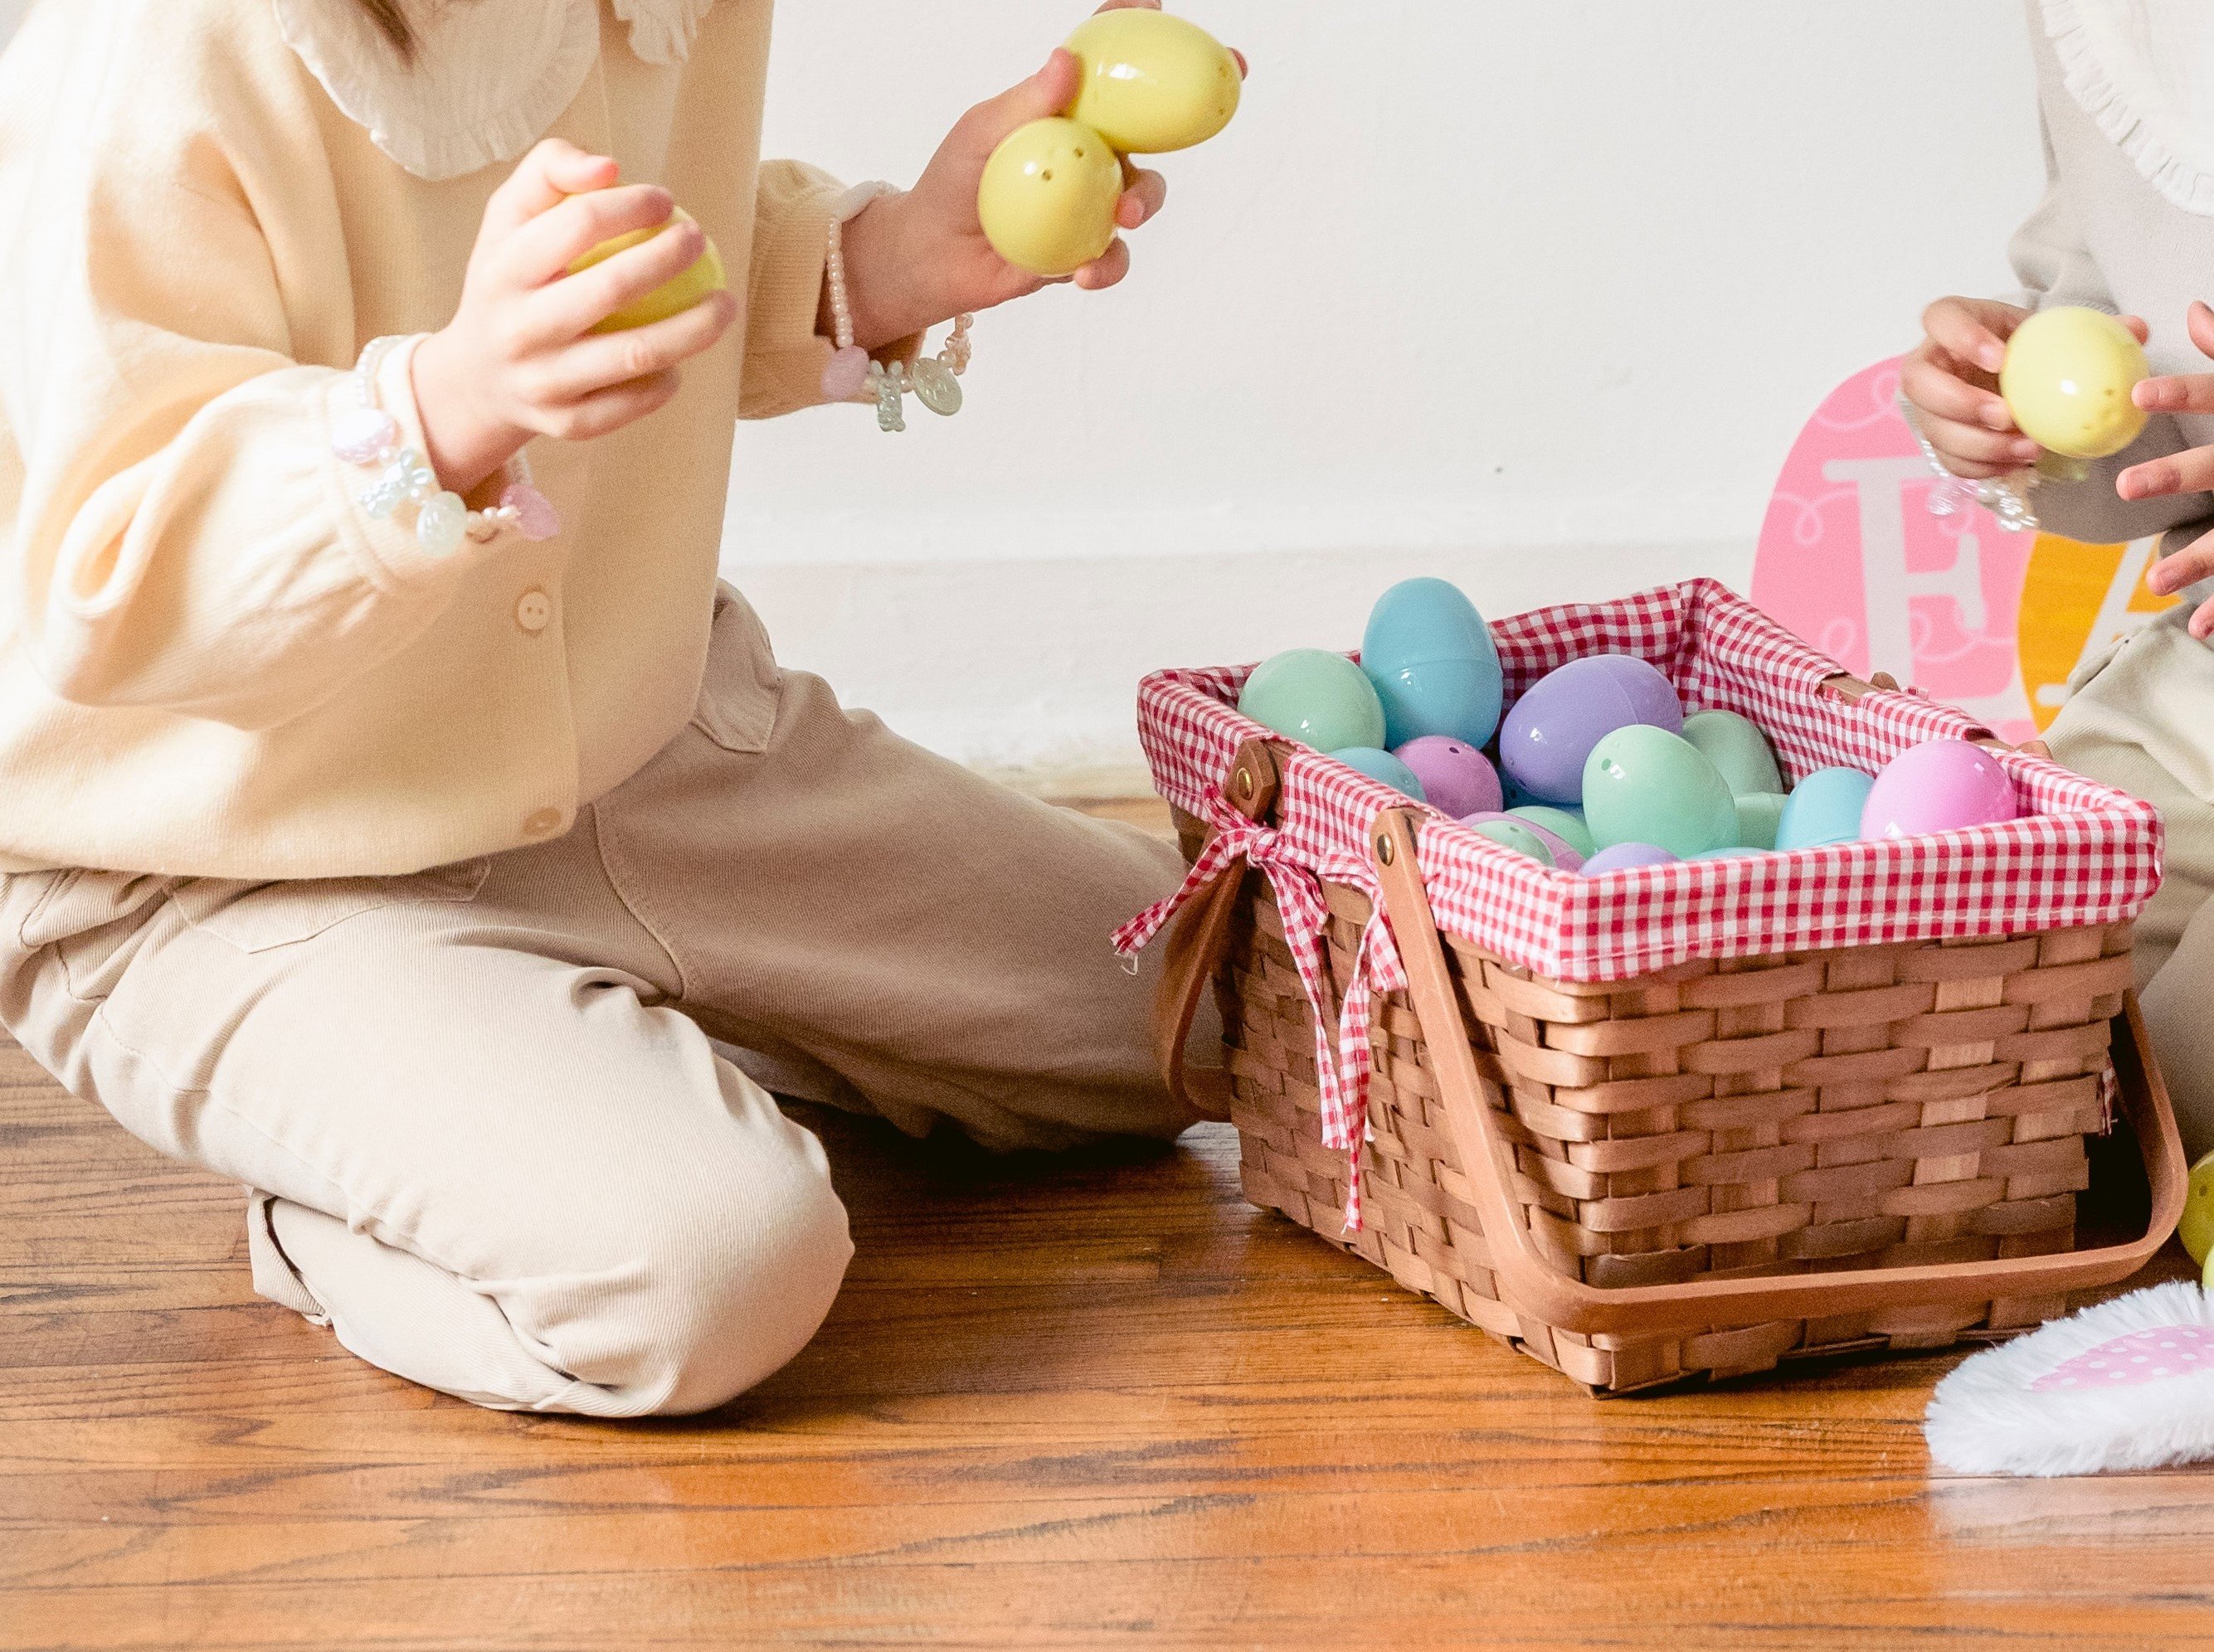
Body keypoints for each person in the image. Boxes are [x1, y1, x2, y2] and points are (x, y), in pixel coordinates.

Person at [0, 0, 1241, 1415]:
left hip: (649, 754)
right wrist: (441, 409)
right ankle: (353, 1209)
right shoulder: (171, 41)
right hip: (225, 864)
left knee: (1212, 1006)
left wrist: (880, 267)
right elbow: (108, 582)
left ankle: (601, 1059)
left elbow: (639, 279)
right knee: (707, 1277)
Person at [1901, 3, 2214, 1156]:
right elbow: (2149, 394)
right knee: (2000, 1050)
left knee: (2149, 1132)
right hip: (2191, 704)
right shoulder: (2105, 26)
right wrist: (2008, 413)